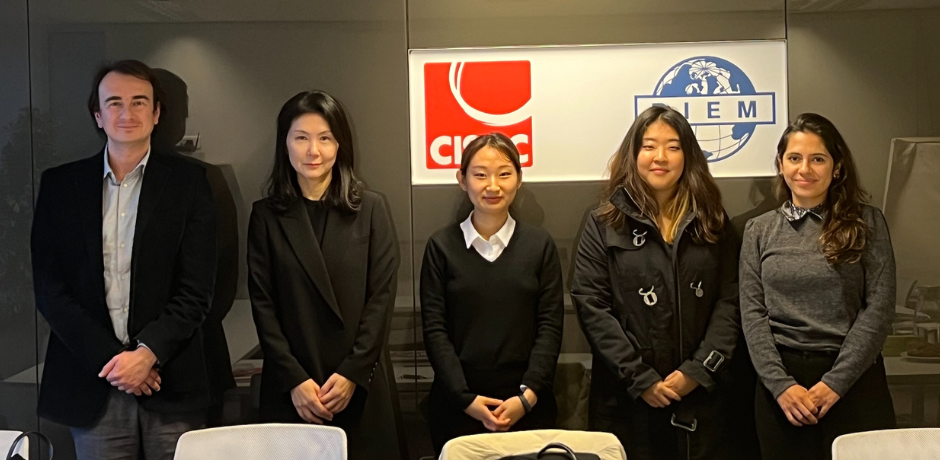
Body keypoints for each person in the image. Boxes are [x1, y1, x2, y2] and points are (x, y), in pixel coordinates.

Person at [31, 59, 217, 460]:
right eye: (114, 102)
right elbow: (49, 290)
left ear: (157, 113)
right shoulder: (60, 186)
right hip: (92, 380)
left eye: (138, 102)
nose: (126, 113)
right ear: (98, 115)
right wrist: (115, 362)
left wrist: (147, 354)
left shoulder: (190, 184)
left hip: (169, 377)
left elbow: (197, 288)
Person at [570, 105, 740, 460]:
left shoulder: (712, 220)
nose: (660, 157)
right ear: (633, 154)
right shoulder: (604, 222)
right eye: (649, 146)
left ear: (688, 156)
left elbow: (731, 300)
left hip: (700, 400)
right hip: (625, 400)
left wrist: (698, 370)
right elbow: (591, 305)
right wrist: (639, 377)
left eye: (673, 147)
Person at [247, 90, 402, 460]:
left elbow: (381, 299)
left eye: (325, 138)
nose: (312, 151)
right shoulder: (266, 216)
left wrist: (352, 373)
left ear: (340, 144)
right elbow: (263, 307)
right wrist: (295, 380)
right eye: (301, 138)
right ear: (284, 143)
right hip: (293, 388)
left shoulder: (371, 208)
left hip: (359, 384)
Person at [740, 113, 896, 460]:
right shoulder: (758, 230)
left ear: (836, 168)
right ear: (780, 164)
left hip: (855, 382)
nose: (805, 169)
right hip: (782, 392)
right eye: (794, 158)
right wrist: (781, 385)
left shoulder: (867, 222)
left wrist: (834, 384)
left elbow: (880, 307)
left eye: (818, 159)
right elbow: (752, 314)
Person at [420, 133, 564, 454]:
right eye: (481, 174)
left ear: (519, 179)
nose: (493, 185)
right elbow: (434, 329)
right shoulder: (441, 247)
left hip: (528, 406)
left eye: (504, 173)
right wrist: (464, 399)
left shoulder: (539, 246)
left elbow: (550, 326)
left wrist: (527, 397)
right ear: (462, 179)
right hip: (457, 407)